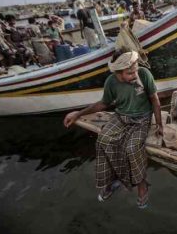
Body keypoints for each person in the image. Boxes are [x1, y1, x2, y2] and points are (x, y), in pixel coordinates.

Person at [63, 50, 163, 207]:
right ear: (118, 73)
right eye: (130, 73)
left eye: (136, 70)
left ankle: (141, 184)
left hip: (142, 118)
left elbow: (155, 100)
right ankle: (114, 179)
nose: (135, 75)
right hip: (121, 116)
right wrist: (78, 114)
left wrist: (159, 124)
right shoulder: (111, 81)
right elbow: (103, 104)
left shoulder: (144, 74)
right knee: (104, 139)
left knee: (132, 148)